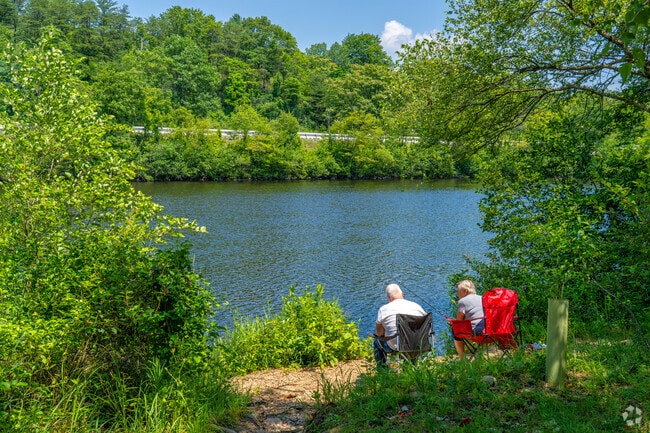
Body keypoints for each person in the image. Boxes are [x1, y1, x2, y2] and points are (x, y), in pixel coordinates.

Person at [373, 283, 426, 367]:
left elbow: (379, 333)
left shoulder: (383, 309)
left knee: (377, 341)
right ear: (402, 294)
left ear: (389, 298)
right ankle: (411, 367)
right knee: (412, 336)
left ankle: (382, 370)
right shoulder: (416, 306)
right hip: (420, 344)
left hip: (398, 347)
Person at [453, 279, 485, 359]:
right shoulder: (483, 298)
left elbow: (459, 322)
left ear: (466, 291)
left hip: (474, 332)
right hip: (487, 330)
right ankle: (480, 353)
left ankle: (462, 358)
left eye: (458, 291)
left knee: (455, 330)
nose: (457, 294)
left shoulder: (462, 301)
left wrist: (452, 323)